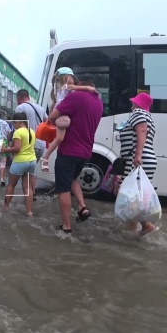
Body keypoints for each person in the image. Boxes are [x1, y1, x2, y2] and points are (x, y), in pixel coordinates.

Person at [47, 75, 103, 234]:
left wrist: (55, 117)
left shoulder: (76, 97)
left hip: (69, 150)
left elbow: (52, 117)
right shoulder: (98, 101)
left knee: (63, 188)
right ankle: (82, 207)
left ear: (79, 85)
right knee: (72, 178)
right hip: (86, 151)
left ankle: (66, 227)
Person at [115, 92, 159, 238]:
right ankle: (132, 230)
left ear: (139, 104)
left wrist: (137, 156)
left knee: (131, 195)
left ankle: (147, 226)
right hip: (145, 159)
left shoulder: (138, 113)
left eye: (134, 102)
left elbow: (141, 130)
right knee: (134, 194)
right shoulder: (147, 116)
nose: (132, 104)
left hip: (139, 159)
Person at [40, 67, 98, 173]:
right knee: (59, 139)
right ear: (67, 77)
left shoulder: (58, 90)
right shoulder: (67, 87)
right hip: (63, 115)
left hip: (61, 114)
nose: (74, 80)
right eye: (72, 77)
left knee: (59, 138)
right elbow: (81, 88)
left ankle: (46, 158)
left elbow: (54, 105)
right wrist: (90, 89)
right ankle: (45, 157)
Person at [0, 112, 37, 218]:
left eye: (14, 122)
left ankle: (6, 207)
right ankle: (29, 212)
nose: (14, 125)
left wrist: (4, 149)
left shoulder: (18, 132)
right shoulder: (32, 131)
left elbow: (17, 148)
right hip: (32, 161)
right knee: (28, 188)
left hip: (20, 161)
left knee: (11, 185)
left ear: (20, 122)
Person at [14, 89, 47, 197]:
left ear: (19, 97)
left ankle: (29, 198)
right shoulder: (40, 108)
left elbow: (17, 126)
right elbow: (47, 123)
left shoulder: (20, 108)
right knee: (32, 169)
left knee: (25, 173)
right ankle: (33, 193)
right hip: (41, 145)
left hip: (28, 144)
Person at [0, 111, 12, 186]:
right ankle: (2, 178)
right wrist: (7, 140)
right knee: (2, 162)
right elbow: (10, 132)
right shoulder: (4, 122)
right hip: (4, 142)